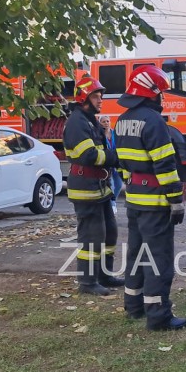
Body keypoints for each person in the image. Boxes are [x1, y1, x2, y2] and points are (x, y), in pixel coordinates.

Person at [115, 65, 186, 331]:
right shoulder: (155, 121)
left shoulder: (122, 120)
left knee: (136, 254)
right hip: (156, 202)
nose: (163, 98)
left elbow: (121, 162)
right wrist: (176, 200)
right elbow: (165, 164)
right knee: (158, 259)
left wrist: (131, 185)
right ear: (152, 93)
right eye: (161, 93)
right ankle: (159, 316)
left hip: (134, 199)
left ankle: (133, 305)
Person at [63, 75, 124, 295]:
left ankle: (104, 275)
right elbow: (88, 155)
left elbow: (104, 147)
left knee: (110, 233)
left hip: (100, 187)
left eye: (100, 97)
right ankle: (87, 283)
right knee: (92, 236)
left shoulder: (90, 121)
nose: (101, 101)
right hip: (85, 189)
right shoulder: (77, 122)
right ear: (84, 98)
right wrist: (114, 157)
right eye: (96, 96)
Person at [99, 115, 122, 213]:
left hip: (116, 162)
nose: (106, 123)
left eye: (107, 121)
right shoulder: (99, 135)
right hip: (106, 163)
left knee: (119, 184)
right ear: (100, 123)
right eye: (104, 121)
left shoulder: (115, 133)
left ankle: (113, 200)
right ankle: (112, 205)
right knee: (111, 184)